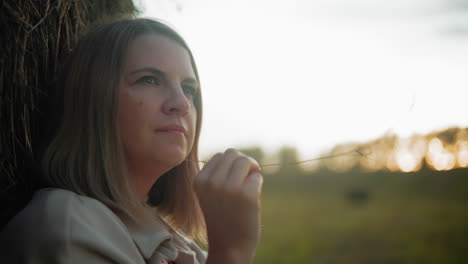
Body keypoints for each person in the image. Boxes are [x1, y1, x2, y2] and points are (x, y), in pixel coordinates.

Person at [0, 18, 263, 264]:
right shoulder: (67, 228)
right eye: (149, 80)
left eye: (189, 89)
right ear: (93, 101)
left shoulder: (180, 245)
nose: (182, 103)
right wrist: (231, 253)